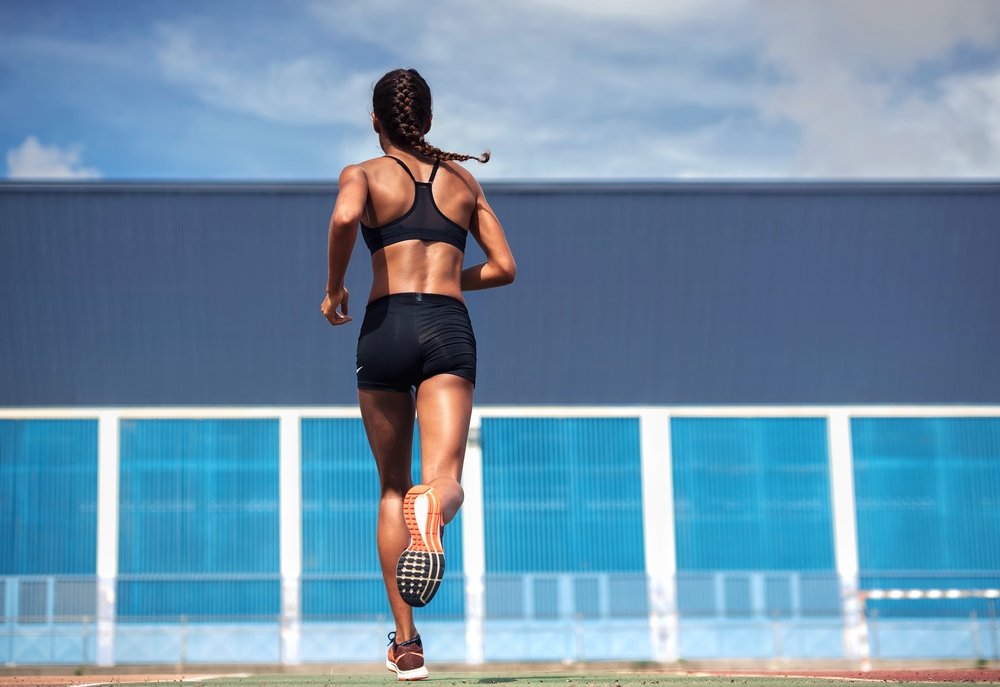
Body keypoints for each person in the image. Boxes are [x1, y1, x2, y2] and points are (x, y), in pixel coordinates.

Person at [321, 68, 516, 681]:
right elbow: (505, 268)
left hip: (384, 327)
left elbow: (344, 219)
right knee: (442, 478)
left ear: (375, 121)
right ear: (427, 122)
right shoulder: (464, 181)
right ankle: (432, 505)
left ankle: (406, 643)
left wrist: (334, 288)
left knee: (389, 486)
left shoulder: (363, 173)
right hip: (448, 328)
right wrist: (441, 281)